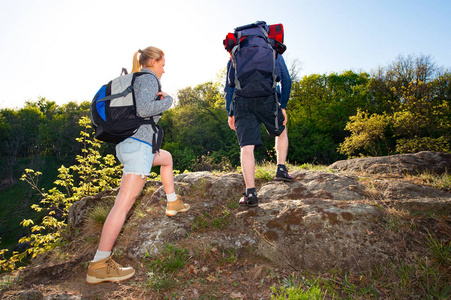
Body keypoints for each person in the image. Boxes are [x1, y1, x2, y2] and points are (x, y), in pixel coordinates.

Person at [86, 46, 190, 284]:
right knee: (122, 206)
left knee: (166, 158)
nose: (164, 69)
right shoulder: (148, 78)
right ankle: (99, 265)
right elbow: (144, 109)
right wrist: (168, 101)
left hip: (132, 145)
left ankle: (173, 202)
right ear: (153, 62)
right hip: (137, 146)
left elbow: (141, 110)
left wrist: (157, 101)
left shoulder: (137, 79)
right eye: (163, 64)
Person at [225, 35, 292, 208]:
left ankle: (250, 193)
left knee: (246, 147)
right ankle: (281, 169)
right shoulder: (272, 51)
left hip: (242, 102)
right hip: (268, 99)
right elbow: (286, 79)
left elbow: (229, 86)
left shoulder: (236, 52)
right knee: (281, 130)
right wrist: (282, 105)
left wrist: (230, 112)